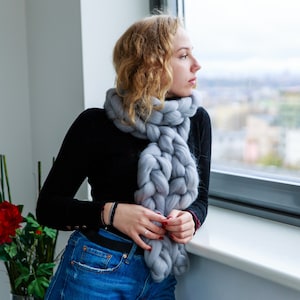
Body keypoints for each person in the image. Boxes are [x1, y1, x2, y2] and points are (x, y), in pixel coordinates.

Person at [36, 14, 211, 300]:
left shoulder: (198, 120)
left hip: (161, 276)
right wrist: (112, 213)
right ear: (152, 64)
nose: (196, 64)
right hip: (96, 269)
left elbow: (201, 198)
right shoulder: (95, 123)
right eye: (183, 56)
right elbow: (48, 207)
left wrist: (191, 218)